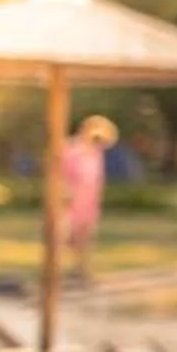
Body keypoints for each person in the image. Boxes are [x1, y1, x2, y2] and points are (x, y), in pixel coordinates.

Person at [61, 115, 118, 283]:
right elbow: (61, 174)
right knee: (65, 236)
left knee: (85, 238)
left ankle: (81, 270)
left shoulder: (95, 153)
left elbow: (97, 178)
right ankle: (56, 271)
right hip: (71, 199)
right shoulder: (71, 150)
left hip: (88, 201)